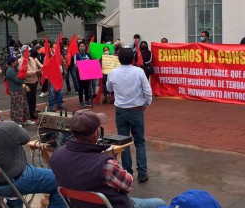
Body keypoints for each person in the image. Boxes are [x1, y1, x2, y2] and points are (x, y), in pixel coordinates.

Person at [0, 92, 66, 208]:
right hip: (16, 181)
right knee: (63, 180)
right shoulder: (7, 127)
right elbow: (25, 139)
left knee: (11, 167)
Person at [50, 109, 166, 208]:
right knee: (159, 203)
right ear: (96, 134)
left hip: (80, 204)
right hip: (114, 205)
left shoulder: (57, 154)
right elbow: (129, 185)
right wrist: (114, 163)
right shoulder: (106, 165)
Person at [106, 48, 152, 183]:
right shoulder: (139, 71)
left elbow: (109, 89)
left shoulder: (113, 73)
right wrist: (147, 103)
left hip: (120, 110)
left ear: (118, 59)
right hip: (137, 109)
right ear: (133, 59)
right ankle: (142, 173)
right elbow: (147, 90)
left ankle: (127, 172)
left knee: (123, 142)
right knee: (140, 141)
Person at [6, 56, 34, 126]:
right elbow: (18, 81)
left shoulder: (14, 69)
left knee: (24, 105)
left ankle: (25, 119)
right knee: (17, 107)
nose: (17, 62)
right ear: (12, 63)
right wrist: (23, 78)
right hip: (15, 91)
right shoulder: (10, 71)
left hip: (20, 90)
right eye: (16, 61)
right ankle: (17, 122)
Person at [19, 47, 42, 119]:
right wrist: (35, 72)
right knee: (27, 99)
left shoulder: (32, 59)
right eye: (27, 51)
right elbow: (23, 72)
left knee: (33, 98)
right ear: (23, 52)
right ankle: (26, 114)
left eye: (29, 51)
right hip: (27, 82)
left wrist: (44, 68)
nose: (29, 52)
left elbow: (41, 65)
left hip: (34, 80)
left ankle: (32, 112)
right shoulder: (20, 61)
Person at [75, 41, 92, 107]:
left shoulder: (88, 54)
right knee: (81, 87)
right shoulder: (77, 55)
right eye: (81, 46)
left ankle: (87, 100)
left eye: (83, 46)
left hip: (87, 73)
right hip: (80, 73)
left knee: (87, 87)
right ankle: (81, 101)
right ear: (79, 48)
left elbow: (91, 62)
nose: (82, 47)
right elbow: (75, 64)